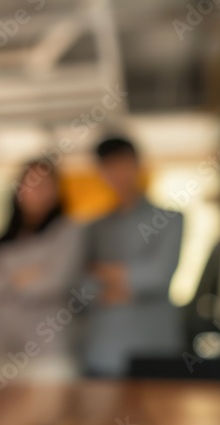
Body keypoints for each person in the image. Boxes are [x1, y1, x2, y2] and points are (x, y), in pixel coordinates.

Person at [0, 159, 85, 381]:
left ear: (57, 191)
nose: (37, 191)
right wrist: (30, 273)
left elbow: (55, 282)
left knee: (51, 415)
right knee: (3, 414)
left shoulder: (69, 232)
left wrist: (3, 276)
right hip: (2, 349)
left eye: (45, 185)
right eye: (31, 183)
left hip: (49, 352)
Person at [82, 137, 183, 377]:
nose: (116, 173)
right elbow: (82, 285)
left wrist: (105, 272)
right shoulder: (94, 227)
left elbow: (158, 276)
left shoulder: (170, 220)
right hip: (102, 351)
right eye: (108, 166)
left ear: (137, 164)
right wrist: (131, 280)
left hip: (153, 347)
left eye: (122, 163)